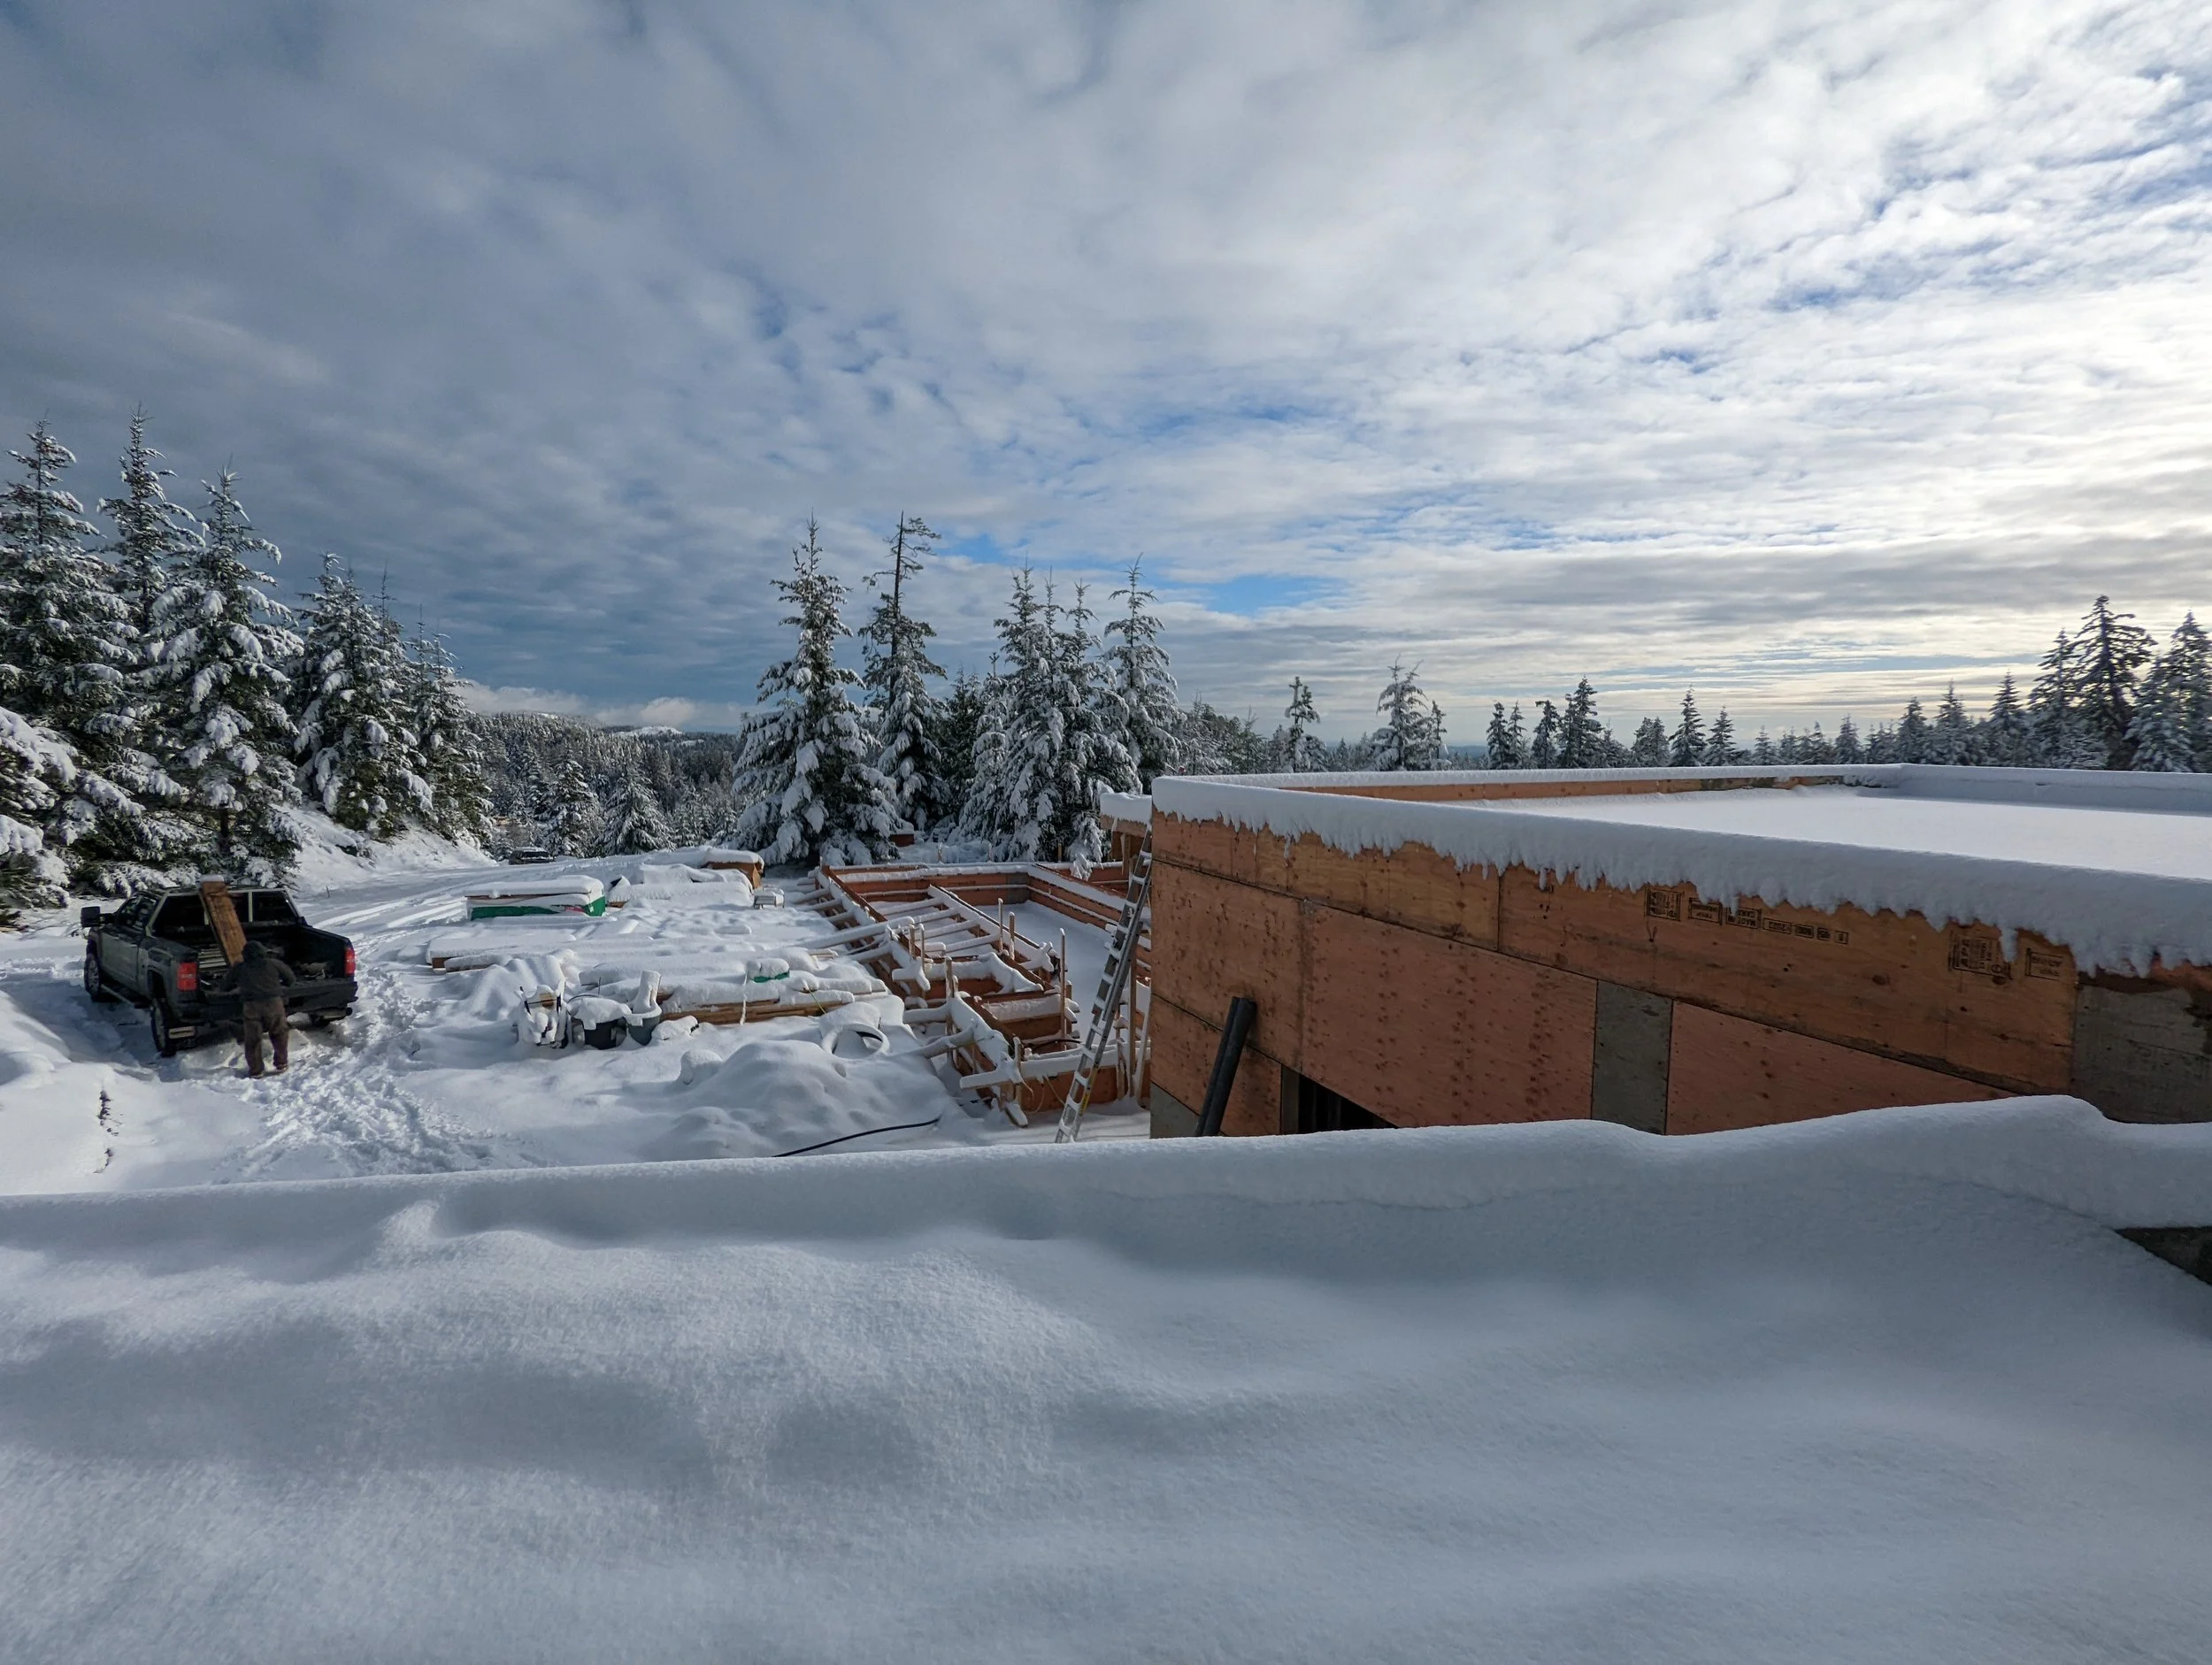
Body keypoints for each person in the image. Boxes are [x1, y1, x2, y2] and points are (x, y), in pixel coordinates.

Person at [236, 939, 296, 1078]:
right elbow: (291, 980)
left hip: (251, 1006)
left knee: (253, 1038)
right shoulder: (274, 963)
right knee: (279, 1033)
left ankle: (256, 1070)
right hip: (274, 1004)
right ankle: (281, 1063)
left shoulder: (239, 968)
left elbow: (224, 986)